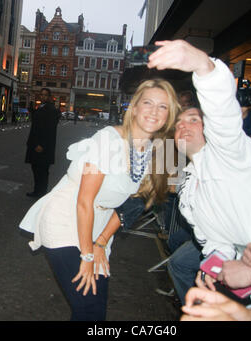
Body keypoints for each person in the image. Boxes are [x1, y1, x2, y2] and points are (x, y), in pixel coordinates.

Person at [19, 78, 180, 321]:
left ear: (169, 115)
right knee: (89, 309)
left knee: (95, 308)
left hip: (101, 226)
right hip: (67, 216)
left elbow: (134, 204)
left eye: (163, 106)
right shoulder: (108, 140)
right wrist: (87, 254)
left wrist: (102, 242)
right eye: (147, 102)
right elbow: (84, 200)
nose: (154, 111)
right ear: (134, 108)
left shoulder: (162, 150)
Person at [147, 39, 251, 306]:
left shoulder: (231, 152)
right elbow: (213, 239)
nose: (183, 126)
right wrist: (214, 267)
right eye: (178, 125)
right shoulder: (189, 187)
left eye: (194, 120)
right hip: (248, 279)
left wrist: (202, 65)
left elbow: (223, 114)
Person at [25, 88, 59, 198]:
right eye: (41, 95)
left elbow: (50, 129)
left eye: (45, 95)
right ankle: (37, 190)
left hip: (42, 146)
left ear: (49, 97)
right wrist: (32, 110)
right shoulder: (41, 107)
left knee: (42, 171)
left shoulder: (51, 109)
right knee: (35, 168)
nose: (42, 97)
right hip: (35, 143)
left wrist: (42, 145)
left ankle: (42, 193)